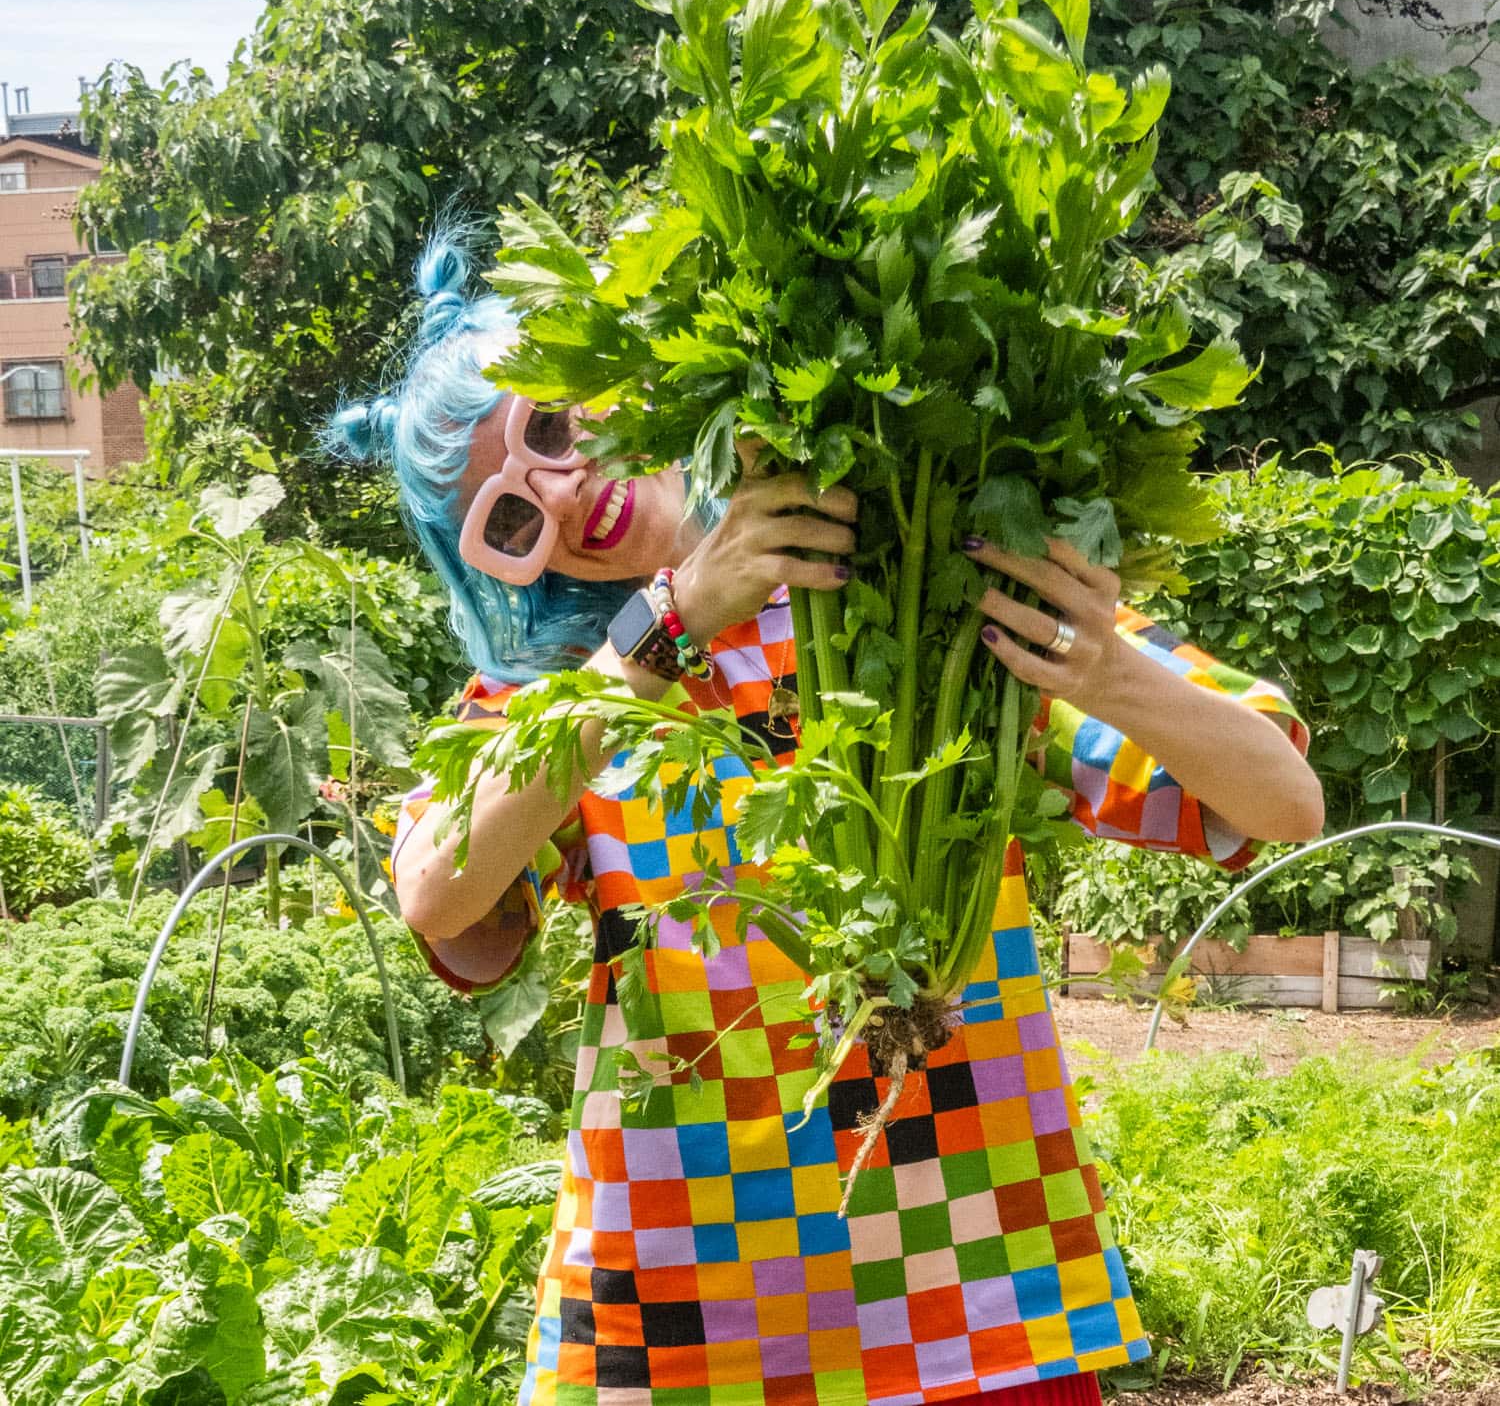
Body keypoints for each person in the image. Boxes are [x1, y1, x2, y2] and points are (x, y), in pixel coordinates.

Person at [329, 236, 1324, 1406]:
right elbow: (436, 892)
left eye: (547, 427)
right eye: (506, 514)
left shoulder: (909, 597)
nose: (556, 487)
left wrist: (1102, 672)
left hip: (980, 1288)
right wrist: (667, 624)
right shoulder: (553, 698)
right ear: (503, 564)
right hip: (685, 1311)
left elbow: (1282, 804)